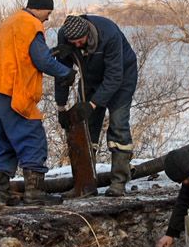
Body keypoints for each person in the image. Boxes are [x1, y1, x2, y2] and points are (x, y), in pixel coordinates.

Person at [0, 0, 73, 205]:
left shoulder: (8, 23)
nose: (47, 19)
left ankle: (0, 192)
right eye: (48, 13)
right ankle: (35, 194)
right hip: (12, 91)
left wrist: (54, 53)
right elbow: (41, 60)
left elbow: (24, 56)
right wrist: (65, 72)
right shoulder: (31, 24)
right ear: (40, 8)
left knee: (7, 144)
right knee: (33, 137)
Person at [54, 14, 138, 197]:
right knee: (86, 128)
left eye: (80, 41)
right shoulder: (64, 36)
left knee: (118, 125)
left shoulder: (109, 34)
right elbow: (62, 74)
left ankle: (119, 182)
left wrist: (92, 105)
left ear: (87, 34)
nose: (76, 45)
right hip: (91, 79)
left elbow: (114, 77)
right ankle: (85, 185)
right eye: (72, 42)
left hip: (122, 78)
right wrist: (61, 107)